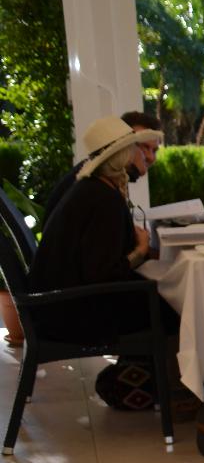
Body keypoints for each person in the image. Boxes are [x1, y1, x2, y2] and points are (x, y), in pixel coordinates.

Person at [28, 116, 176, 343]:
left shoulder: (92, 188)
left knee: (161, 296)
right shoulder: (104, 198)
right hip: (70, 315)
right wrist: (141, 249)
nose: (144, 155)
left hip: (55, 307)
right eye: (136, 147)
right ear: (123, 154)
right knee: (174, 306)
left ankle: (139, 374)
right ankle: (152, 376)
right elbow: (104, 275)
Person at [43, 111, 161, 220]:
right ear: (121, 146)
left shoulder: (98, 179)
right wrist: (142, 243)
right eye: (142, 146)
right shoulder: (101, 190)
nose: (150, 157)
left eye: (154, 150)